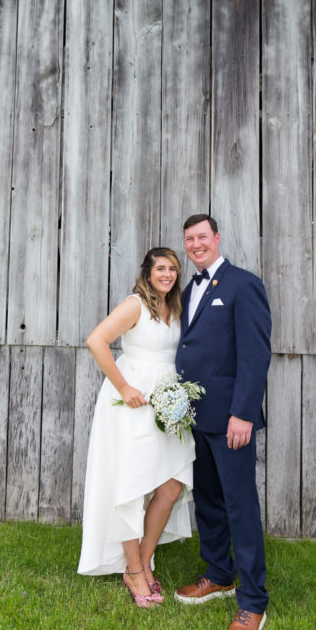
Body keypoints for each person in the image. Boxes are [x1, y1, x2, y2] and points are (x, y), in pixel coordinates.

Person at [174, 214, 272, 630]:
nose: (196, 245)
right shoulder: (187, 290)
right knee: (209, 501)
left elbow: (255, 354)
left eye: (202, 237)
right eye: (188, 239)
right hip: (195, 418)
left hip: (231, 420)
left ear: (217, 239)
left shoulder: (242, 284)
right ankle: (218, 574)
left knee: (239, 506)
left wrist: (244, 413)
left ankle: (252, 600)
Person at [78, 247, 195, 608]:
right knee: (130, 485)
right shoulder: (135, 304)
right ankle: (134, 570)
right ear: (147, 272)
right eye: (161, 268)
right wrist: (124, 387)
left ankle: (142, 561)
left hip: (167, 405)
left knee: (172, 485)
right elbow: (96, 341)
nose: (168, 274)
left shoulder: (175, 307)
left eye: (173, 269)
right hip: (133, 403)